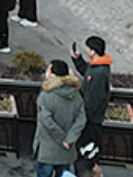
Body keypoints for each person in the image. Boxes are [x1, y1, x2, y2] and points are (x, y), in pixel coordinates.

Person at [35, 60, 87, 177]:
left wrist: (62, 139)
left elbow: (46, 121)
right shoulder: (76, 95)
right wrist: (69, 139)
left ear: (53, 75)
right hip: (66, 152)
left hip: (47, 151)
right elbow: (81, 120)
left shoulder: (46, 96)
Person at [72, 36, 113, 177]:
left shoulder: (100, 72)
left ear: (93, 51)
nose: (87, 50)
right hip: (90, 117)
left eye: (88, 48)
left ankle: (91, 172)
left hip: (92, 119)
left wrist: (83, 117)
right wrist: (78, 60)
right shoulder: (96, 65)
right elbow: (87, 72)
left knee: (90, 148)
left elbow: (94, 100)